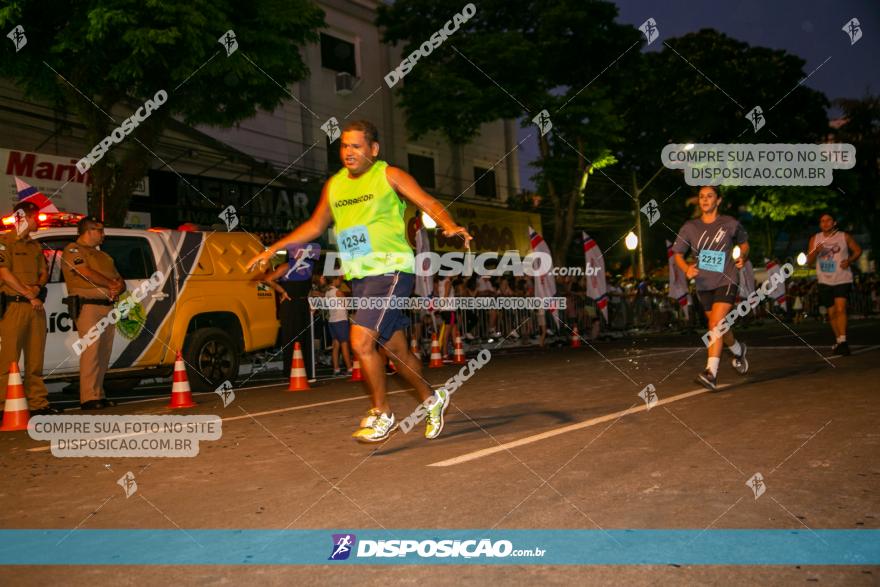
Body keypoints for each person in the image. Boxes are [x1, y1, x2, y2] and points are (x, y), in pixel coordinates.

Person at [249, 120, 471, 442]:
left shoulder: (388, 175)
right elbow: (314, 225)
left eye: (356, 146)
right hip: (361, 279)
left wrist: (448, 224)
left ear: (373, 149)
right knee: (395, 352)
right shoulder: (335, 185)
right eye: (344, 146)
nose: (348, 152)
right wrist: (273, 248)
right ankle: (432, 398)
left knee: (360, 342)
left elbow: (427, 202)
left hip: (392, 272)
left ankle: (382, 413)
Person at [673, 186, 750, 391]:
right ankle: (737, 349)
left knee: (715, 322)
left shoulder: (730, 223)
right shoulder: (690, 227)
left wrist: (742, 256)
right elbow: (677, 253)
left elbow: (744, 243)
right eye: (701, 197)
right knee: (720, 325)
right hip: (704, 284)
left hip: (727, 279)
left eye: (710, 196)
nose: (705, 200)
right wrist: (686, 268)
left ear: (718, 200)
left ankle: (711, 372)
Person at [0, 202, 61, 416]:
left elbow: (43, 273)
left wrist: (36, 288)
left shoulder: (35, 246)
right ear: (24, 217)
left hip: (34, 306)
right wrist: (29, 295)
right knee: (9, 359)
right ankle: (3, 405)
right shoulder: (3, 241)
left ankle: (38, 404)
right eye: (36, 217)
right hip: (14, 305)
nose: (39, 221)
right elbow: (4, 273)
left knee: (36, 359)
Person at [60, 216, 125, 410]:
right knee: (92, 351)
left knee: (104, 352)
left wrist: (118, 286)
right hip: (88, 306)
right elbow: (84, 272)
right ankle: (88, 397)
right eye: (100, 230)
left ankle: (98, 394)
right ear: (88, 231)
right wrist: (110, 284)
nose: (103, 235)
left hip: (106, 305)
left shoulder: (103, 256)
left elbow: (119, 278)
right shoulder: (73, 250)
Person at [259, 243, 320, 380]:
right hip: (290, 305)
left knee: (305, 338)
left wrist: (312, 300)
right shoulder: (286, 266)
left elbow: (310, 288)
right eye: (297, 250)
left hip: (304, 305)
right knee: (292, 337)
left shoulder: (308, 267)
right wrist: (282, 291)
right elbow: (268, 279)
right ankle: (292, 372)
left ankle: (307, 372)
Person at [807, 212, 861, 356]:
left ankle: (843, 340)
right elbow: (809, 262)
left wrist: (849, 261)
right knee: (831, 313)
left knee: (840, 308)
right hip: (824, 280)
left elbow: (858, 250)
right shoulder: (815, 238)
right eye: (822, 221)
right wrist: (815, 251)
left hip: (842, 278)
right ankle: (839, 340)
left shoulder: (844, 236)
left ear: (834, 222)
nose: (825, 223)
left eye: (828, 220)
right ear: (820, 224)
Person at [325, 275, 353, 375]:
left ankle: (336, 369)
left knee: (335, 345)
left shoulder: (327, 292)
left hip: (332, 321)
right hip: (341, 320)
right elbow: (348, 305)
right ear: (334, 280)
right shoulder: (338, 291)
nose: (340, 281)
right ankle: (350, 368)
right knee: (344, 345)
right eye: (339, 279)